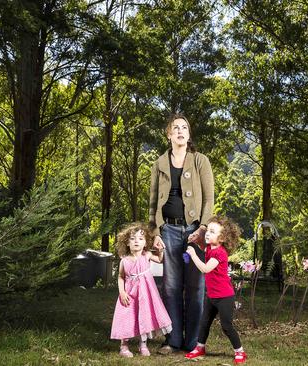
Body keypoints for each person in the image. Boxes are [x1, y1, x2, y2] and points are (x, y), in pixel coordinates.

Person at [149, 112, 214, 353]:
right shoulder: (158, 164)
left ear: (189, 134)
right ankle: (173, 339)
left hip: (195, 231)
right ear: (168, 134)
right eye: (175, 127)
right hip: (168, 229)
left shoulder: (200, 161)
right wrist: (155, 230)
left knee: (197, 287)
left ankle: (193, 342)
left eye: (184, 127)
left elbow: (209, 199)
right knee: (171, 286)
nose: (180, 131)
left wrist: (203, 228)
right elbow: (153, 202)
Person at [184, 216, 247, 364]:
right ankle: (200, 347)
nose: (207, 233)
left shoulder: (220, 253)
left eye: (212, 232)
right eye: (208, 230)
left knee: (226, 326)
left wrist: (193, 255)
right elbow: (203, 248)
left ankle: (240, 351)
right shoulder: (210, 248)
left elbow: (205, 269)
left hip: (224, 297)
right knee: (204, 322)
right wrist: (197, 240)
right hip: (211, 295)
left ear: (223, 237)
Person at [110, 223, 172, 357]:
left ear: (145, 243)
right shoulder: (124, 261)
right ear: (127, 242)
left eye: (140, 238)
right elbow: (121, 277)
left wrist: (160, 250)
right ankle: (124, 346)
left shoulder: (147, 255)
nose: (136, 241)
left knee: (144, 316)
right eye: (132, 238)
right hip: (129, 294)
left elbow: (160, 260)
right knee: (127, 316)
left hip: (145, 294)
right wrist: (122, 292)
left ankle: (143, 344)